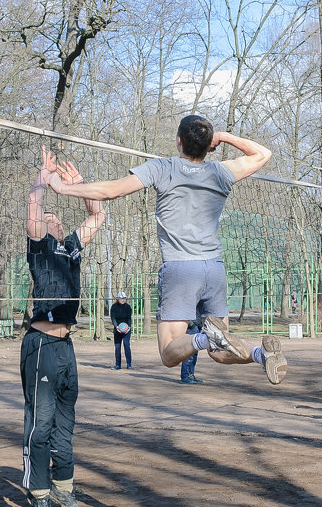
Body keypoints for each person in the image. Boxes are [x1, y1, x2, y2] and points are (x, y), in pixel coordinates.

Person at [46, 115, 288, 385]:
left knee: (169, 353)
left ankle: (205, 336)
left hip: (181, 269)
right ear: (209, 145)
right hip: (214, 269)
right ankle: (261, 354)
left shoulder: (163, 168)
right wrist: (222, 136)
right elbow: (262, 153)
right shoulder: (221, 172)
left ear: (179, 141)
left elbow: (112, 191)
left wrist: (63, 188)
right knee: (219, 353)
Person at [21, 146, 106, 507]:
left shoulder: (70, 247)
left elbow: (97, 214)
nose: (54, 221)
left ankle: (62, 488)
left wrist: (82, 186)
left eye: (57, 219)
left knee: (66, 422)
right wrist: (43, 182)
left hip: (66, 345)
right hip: (39, 345)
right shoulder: (40, 248)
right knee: (41, 424)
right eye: (49, 218)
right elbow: (33, 211)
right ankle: (38, 495)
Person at [110, 291, 132, 370]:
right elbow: (113, 318)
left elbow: (129, 318)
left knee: (126, 345)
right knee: (117, 347)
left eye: (124, 298)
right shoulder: (114, 307)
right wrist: (117, 327)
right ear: (117, 299)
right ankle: (118, 365)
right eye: (121, 298)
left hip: (127, 330)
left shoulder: (128, 307)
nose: (123, 300)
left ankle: (129, 364)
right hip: (117, 330)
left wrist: (129, 327)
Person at [180, 319, 202, 384]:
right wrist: (191, 325)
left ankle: (191, 375)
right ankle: (185, 376)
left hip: (198, 326)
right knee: (188, 353)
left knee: (194, 353)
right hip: (191, 327)